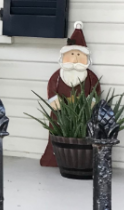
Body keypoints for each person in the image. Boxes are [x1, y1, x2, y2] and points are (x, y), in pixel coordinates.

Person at [40, 21, 101, 167]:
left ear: (87, 59)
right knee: (56, 132)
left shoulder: (91, 77)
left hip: (83, 115)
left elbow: (95, 91)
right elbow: (51, 89)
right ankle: (53, 158)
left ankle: (84, 160)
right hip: (59, 113)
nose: (75, 59)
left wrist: (91, 104)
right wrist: (55, 101)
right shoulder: (57, 76)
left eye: (79, 55)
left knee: (85, 133)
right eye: (71, 54)